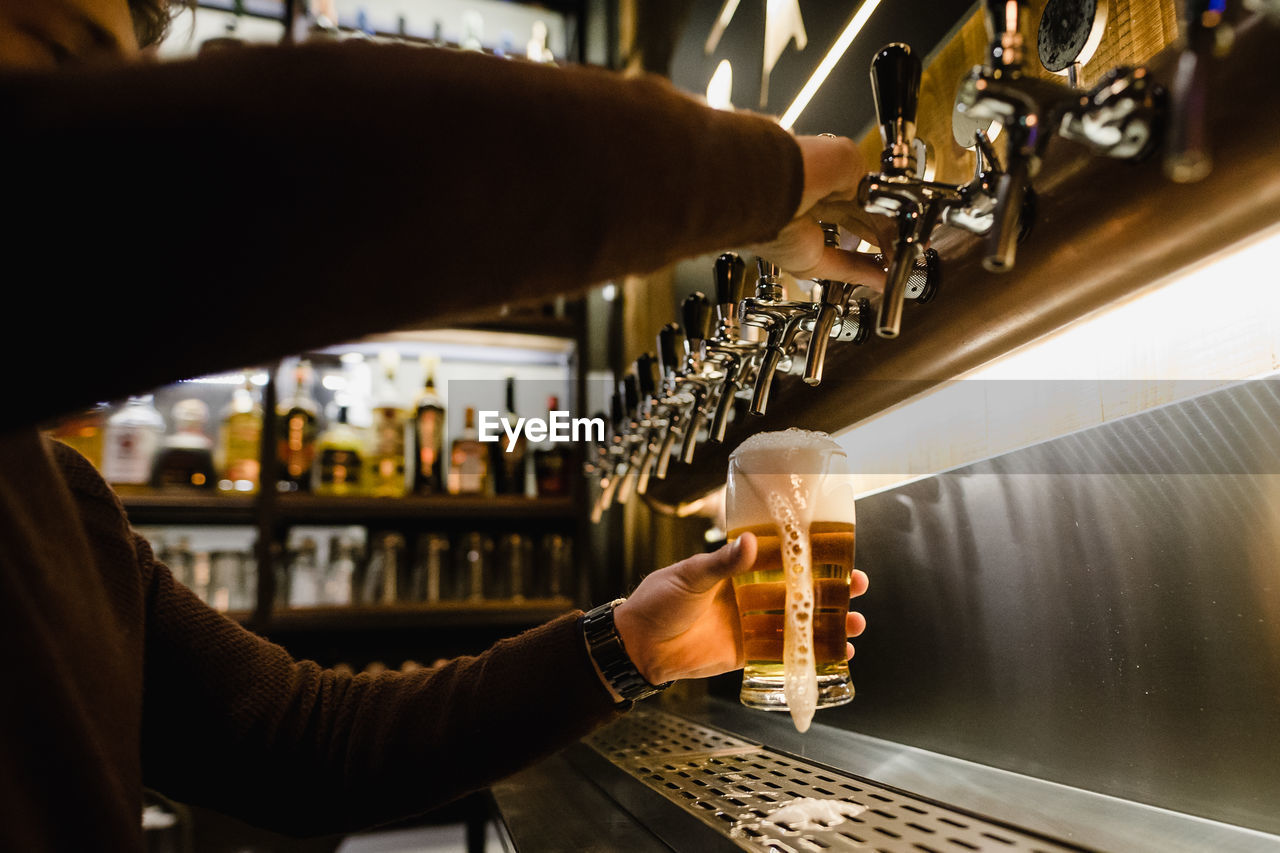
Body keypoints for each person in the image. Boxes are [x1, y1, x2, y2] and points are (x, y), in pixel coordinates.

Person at [0, 0, 878, 849]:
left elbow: (306, 746)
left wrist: (632, 644)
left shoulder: (63, 503)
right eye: (59, 64)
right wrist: (771, 179)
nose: (108, 127)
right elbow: (320, 165)